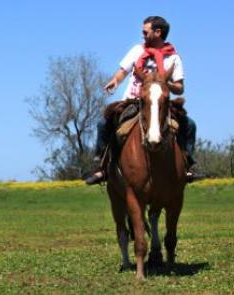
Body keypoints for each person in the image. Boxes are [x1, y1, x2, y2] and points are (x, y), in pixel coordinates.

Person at [85, 16, 204, 185]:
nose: (142, 34)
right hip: (133, 101)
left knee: (189, 125)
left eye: (145, 31)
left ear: (158, 32)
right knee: (102, 124)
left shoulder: (174, 58)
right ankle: (101, 168)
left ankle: (188, 166)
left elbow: (180, 88)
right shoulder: (137, 50)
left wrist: (164, 84)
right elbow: (123, 70)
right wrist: (115, 80)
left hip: (160, 103)